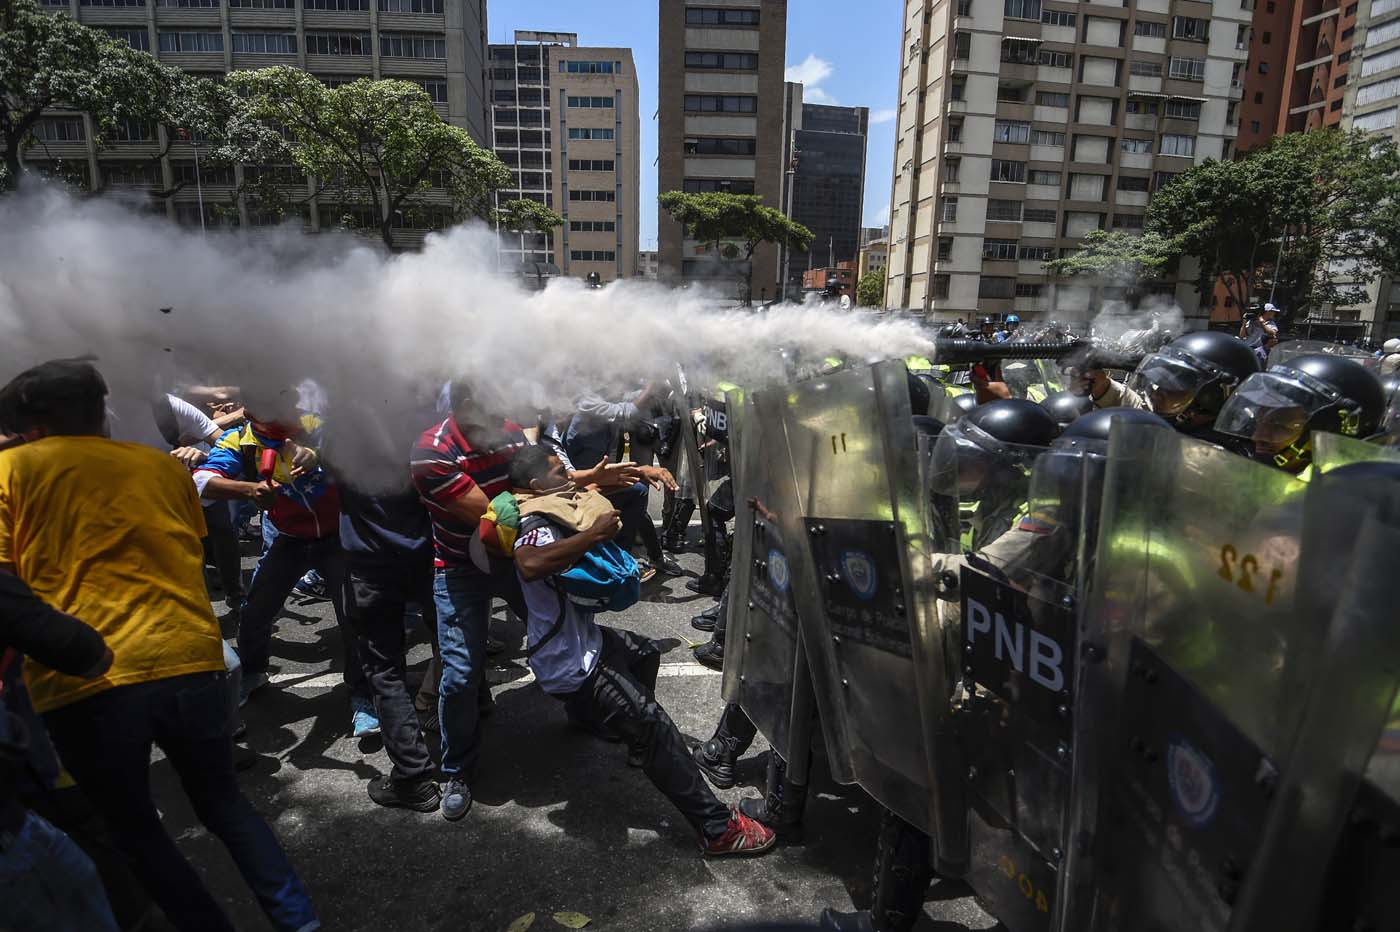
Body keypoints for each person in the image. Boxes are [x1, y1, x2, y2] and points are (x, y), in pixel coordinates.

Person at [0, 359, 319, 932]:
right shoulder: (159, 467)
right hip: (192, 657)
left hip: (88, 680)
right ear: (102, 410)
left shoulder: (7, 473)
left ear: (28, 421)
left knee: (137, 831)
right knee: (227, 806)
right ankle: (300, 924)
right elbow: (193, 545)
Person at [506, 445, 777, 856]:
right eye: (558, 471)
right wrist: (592, 536)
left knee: (646, 652)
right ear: (535, 485)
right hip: (570, 665)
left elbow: (586, 491)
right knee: (654, 726)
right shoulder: (536, 522)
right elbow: (527, 564)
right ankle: (717, 828)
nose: (568, 475)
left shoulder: (552, 502)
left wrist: (628, 477)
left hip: (587, 645)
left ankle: (594, 721)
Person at [192, 395, 375, 734]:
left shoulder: (318, 427)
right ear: (251, 410)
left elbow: (361, 457)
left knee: (353, 616)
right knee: (257, 610)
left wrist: (320, 456)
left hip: (337, 539)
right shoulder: (239, 441)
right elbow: (201, 482)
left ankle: (362, 695)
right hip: (288, 538)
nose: (288, 410)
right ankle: (252, 673)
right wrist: (248, 489)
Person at [410, 379, 530, 821]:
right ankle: (457, 768)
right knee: (459, 675)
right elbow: (494, 517)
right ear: (462, 406)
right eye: (492, 415)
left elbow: (542, 480)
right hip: (461, 566)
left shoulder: (508, 430)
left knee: (564, 638)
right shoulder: (431, 452)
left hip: (513, 560)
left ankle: (589, 713)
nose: (502, 425)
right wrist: (541, 494)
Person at [1214, 352, 1385, 473]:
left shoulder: (1339, 498)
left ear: (1333, 431)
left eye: (1280, 425)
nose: (1258, 436)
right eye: (1259, 420)